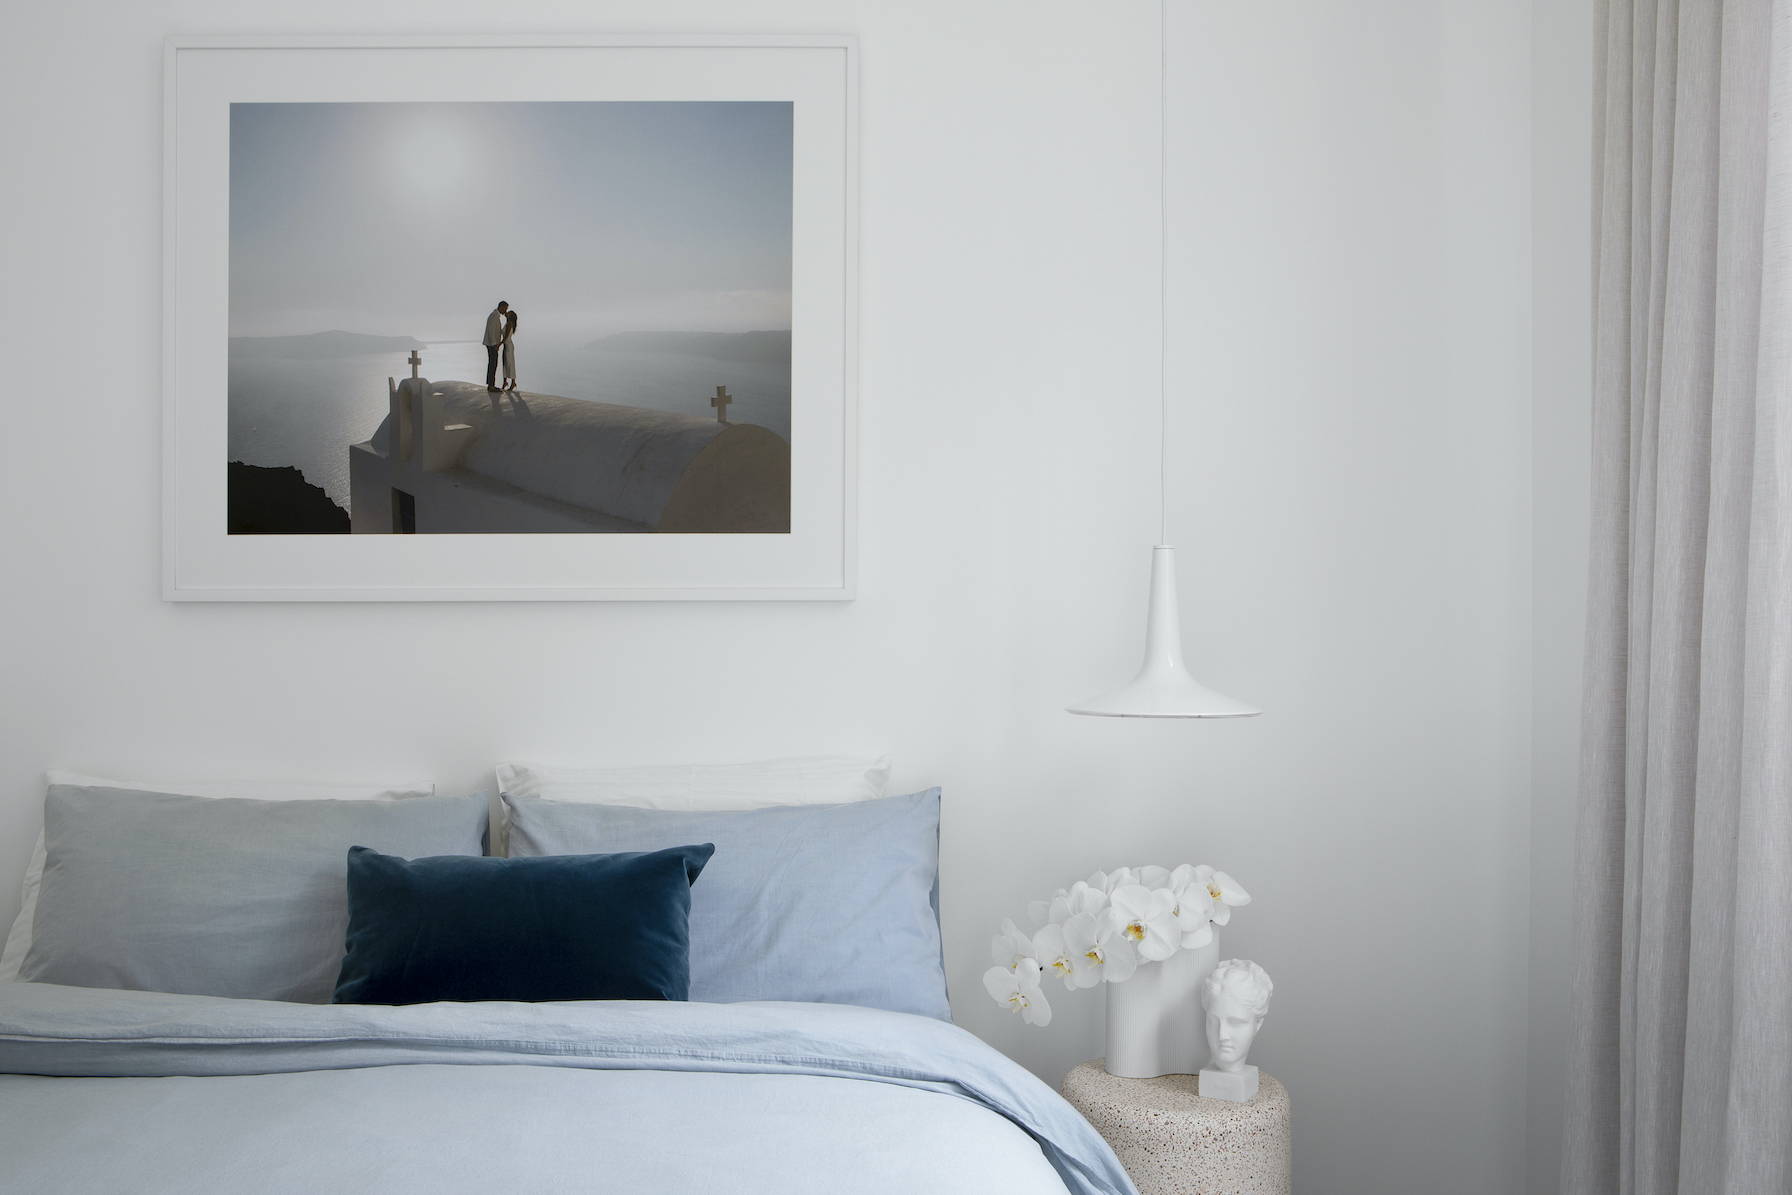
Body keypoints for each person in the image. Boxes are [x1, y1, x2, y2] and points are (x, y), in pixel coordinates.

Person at [482, 300, 509, 391]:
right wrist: (495, 345)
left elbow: (496, 330)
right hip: (492, 344)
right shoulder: (494, 316)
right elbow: (490, 331)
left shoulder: (495, 315)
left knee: (493, 364)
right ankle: (491, 386)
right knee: (493, 364)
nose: (506, 310)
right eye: (505, 308)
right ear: (501, 307)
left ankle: (490, 384)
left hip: (491, 344)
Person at [500, 309, 519, 392]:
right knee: (505, 363)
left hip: (508, 346)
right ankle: (504, 382)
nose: (506, 313)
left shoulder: (509, 324)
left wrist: (499, 345)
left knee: (510, 363)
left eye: (509, 313)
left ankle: (513, 383)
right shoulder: (508, 323)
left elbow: (505, 337)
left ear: (510, 316)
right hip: (507, 345)